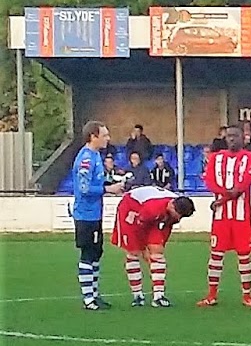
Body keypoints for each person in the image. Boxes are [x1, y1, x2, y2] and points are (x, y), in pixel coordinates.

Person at [199, 126, 251, 308]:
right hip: (221, 218)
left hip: (241, 216)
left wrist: (222, 199)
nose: (232, 139)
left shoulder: (250, 158)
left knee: (244, 255)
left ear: (243, 138)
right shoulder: (216, 158)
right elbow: (209, 181)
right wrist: (224, 193)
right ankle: (211, 295)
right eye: (229, 136)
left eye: (235, 136)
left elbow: (243, 185)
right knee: (216, 254)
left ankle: (247, 295)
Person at [111, 186, 195, 308]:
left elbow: (165, 230)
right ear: (172, 206)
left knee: (157, 252)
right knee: (133, 252)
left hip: (151, 214)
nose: (179, 219)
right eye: (178, 215)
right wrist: (144, 248)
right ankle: (137, 295)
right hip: (131, 207)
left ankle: (158, 296)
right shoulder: (152, 208)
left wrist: (158, 245)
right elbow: (140, 227)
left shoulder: (175, 211)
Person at [71, 122, 124, 309]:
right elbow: (84, 189)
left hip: (94, 214)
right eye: (105, 135)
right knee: (88, 253)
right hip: (85, 215)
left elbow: (98, 180)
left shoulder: (95, 156)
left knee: (96, 253)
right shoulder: (86, 158)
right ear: (93, 136)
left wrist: (116, 181)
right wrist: (108, 189)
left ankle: (94, 294)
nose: (108, 138)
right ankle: (88, 299)